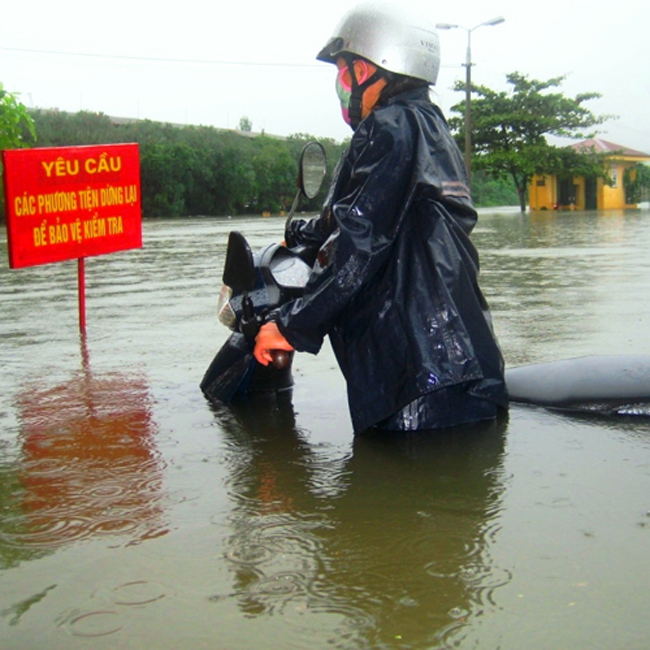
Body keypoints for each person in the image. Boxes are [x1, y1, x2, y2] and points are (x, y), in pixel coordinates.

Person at [254, 2, 508, 433]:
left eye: (343, 69)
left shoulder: (387, 128)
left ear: (372, 68)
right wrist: (303, 235)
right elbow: (362, 215)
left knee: (399, 494)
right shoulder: (431, 129)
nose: (339, 83)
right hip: (472, 369)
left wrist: (290, 326)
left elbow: (360, 244)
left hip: (418, 381)